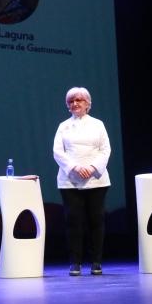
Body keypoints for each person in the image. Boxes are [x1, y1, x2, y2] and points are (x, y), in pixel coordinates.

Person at [53, 87, 111, 276]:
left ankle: (96, 261)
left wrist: (92, 168)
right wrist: (75, 168)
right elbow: (58, 152)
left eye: (79, 100)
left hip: (96, 181)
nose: (75, 103)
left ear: (88, 104)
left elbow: (105, 150)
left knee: (96, 220)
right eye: (71, 101)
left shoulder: (98, 124)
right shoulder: (63, 126)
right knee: (73, 221)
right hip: (70, 181)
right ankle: (75, 262)